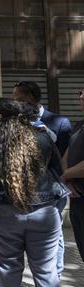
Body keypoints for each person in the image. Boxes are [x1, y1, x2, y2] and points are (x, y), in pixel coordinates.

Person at [0, 98, 67, 287]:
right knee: (46, 271)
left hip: (5, 213)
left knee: (9, 269)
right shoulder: (43, 138)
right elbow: (57, 170)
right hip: (45, 211)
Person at [12, 81, 71, 280]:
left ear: (31, 98)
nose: (15, 102)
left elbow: (63, 156)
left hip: (52, 189)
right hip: (20, 190)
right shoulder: (13, 121)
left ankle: (57, 273)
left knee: (56, 236)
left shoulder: (59, 122)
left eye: (19, 98)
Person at [62, 89, 84, 262]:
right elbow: (67, 155)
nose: (81, 97)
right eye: (80, 93)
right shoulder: (79, 124)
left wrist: (64, 176)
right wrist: (67, 181)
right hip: (77, 196)